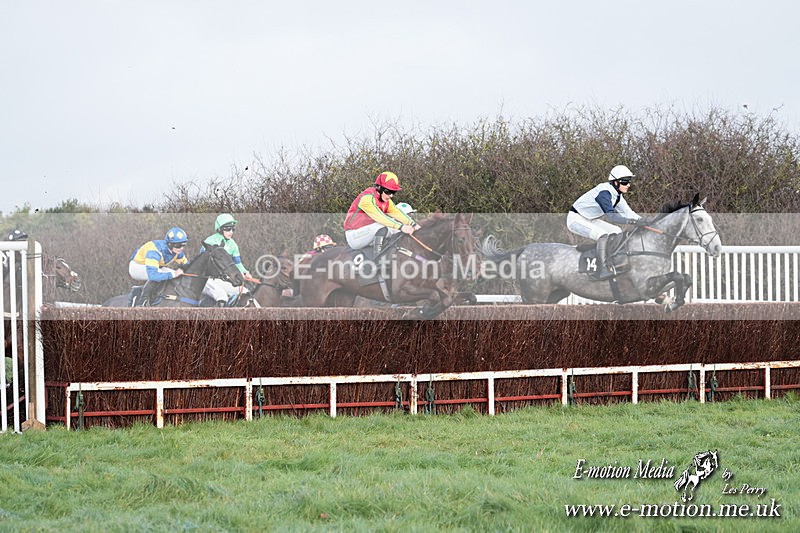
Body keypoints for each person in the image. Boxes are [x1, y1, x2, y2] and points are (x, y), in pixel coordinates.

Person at [567, 165, 646, 280]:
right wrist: (633, 221)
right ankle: (601, 269)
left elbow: (628, 212)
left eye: (629, 181)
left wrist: (644, 221)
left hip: (590, 219)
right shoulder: (604, 193)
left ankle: (611, 261)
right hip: (575, 219)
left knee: (617, 231)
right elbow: (612, 217)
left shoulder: (617, 195)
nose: (628, 185)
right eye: (625, 182)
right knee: (602, 234)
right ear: (615, 182)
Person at [344, 171, 420, 255]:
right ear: (379, 188)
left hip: (370, 233)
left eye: (393, 192)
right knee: (382, 226)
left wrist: (413, 224)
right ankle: (378, 259)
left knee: (396, 231)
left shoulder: (386, 200)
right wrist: (401, 227)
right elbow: (379, 217)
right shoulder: (367, 198)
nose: (391, 195)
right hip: (355, 235)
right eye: (388, 192)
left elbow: (397, 212)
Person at [201, 214, 258, 306]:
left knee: (244, 292)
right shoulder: (209, 242)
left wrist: (244, 272)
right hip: (206, 279)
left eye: (233, 229)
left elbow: (237, 263)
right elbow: (201, 263)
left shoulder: (233, 244)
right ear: (219, 229)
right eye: (228, 229)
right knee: (221, 296)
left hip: (221, 280)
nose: (231, 232)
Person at [129, 227, 189, 305]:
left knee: (173, 273)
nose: (181, 248)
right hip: (137, 266)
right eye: (178, 245)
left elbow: (187, 264)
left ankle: (158, 295)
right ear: (169, 244)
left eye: (183, 245)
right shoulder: (154, 251)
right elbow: (153, 276)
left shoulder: (177, 251)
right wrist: (174, 274)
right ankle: (143, 302)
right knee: (165, 274)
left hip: (153, 267)